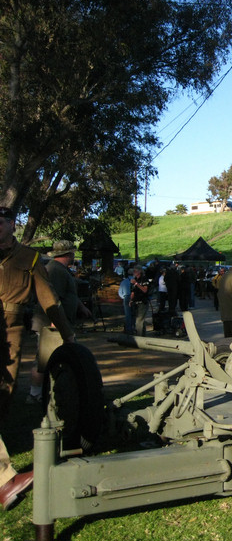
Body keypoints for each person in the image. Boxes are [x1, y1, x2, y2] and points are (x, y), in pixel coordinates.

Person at [0, 207, 75, 511]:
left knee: (3, 398)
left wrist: (67, 334)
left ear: (11, 225)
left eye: (1, 222)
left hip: (10, 331)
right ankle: (4, 480)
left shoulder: (29, 258)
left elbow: (48, 299)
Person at [27, 240, 93, 403]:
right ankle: (35, 394)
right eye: (72, 252)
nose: (73, 255)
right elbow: (51, 299)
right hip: (51, 324)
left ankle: (57, 391)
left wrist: (80, 307)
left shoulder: (61, 270)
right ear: (68, 254)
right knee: (44, 358)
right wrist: (55, 325)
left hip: (60, 324)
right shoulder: (54, 270)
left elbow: (68, 294)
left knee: (63, 357)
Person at [130, 266, 149, 336]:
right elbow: (133, 292)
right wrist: (131, 300)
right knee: (140, 321)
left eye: (135, 271)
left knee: (139, 321)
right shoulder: (134, 279)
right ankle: (143, 336)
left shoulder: (144, 279)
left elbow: (145, 290)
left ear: (139, 272)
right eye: (133, 271)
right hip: (135, 302)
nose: (134, 272)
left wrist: (136, 284)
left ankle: (139, 337)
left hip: (142, 302)